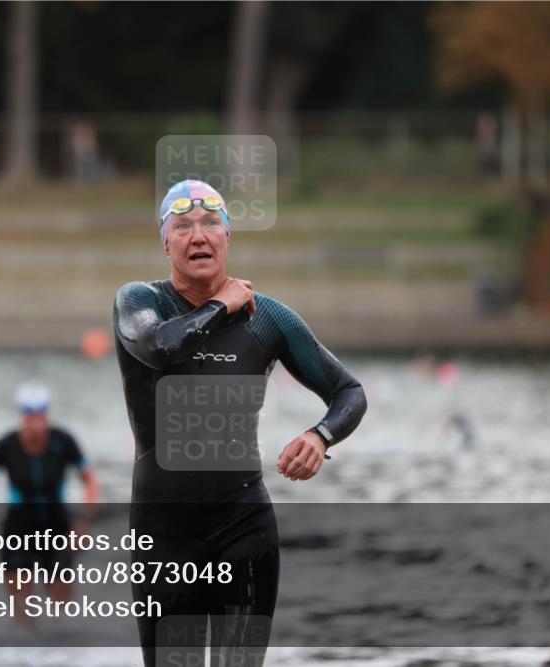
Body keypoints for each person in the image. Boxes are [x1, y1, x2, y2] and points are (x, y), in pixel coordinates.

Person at [113, 179, 367, 666]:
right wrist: (220, 305)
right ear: (165, 241)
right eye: (183, 226)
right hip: (163, 533)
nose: (198, 235)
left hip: (242, 526)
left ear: (228, 237)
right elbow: (160, 348)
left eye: (211, 224)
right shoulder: (139, 302)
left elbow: (348, 392)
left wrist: (320, 434)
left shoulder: (268, 319)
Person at [0, 382, 100, 623]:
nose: (36, 422)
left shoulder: (64, 441)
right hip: (19, 528)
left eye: (40, 415)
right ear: (21, 416)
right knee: (23, 607)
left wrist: (84, 523)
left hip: (57, 527)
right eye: (29, 415)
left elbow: (91, 482)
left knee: (61, 605)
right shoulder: (5, 446)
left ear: (47, 414)